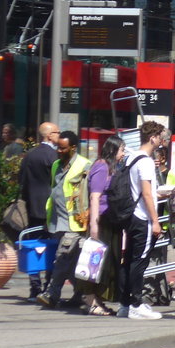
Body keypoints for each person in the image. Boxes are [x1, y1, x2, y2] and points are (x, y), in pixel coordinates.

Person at [116, 121, 166, 320]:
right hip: (142, 217)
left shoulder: (131, 158)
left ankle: (124, 305)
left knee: (128, 260)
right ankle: (136, 304)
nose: (161, 141)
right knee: (139, 261)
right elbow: (146, 193)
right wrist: (155, 221)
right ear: (152, 138)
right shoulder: (145, 161)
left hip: (130, 215)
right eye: (160, 137)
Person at [37, 131, 92, 310]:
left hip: (75, 222)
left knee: (62, 257)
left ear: (73, 148)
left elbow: (92, 194)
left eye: (62, 148)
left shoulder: (85, 165)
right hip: (57, 221)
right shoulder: (55, 166)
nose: (58, 151)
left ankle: (52, 294)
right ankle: (80, 295)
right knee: (72, 261)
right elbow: (55, 189)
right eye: (57, 147)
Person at [81, 135, 125, 316]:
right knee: (95, 263)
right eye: (122, 150)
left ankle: (97, 300)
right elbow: (95, 196)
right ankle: (90, 301)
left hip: (110, 220)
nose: (123, 154)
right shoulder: (101, 166)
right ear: (114, 150)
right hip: (101, 221)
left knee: (105, 264)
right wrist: (94, 225)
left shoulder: (111, 167)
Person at [19, 121, 59, 300]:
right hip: (51, 209)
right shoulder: (54, 156)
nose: (59, 135)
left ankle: (34, 287)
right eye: (57, 132)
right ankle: (48, 287)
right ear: (49, 135)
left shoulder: (29, 155)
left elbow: (22, 181)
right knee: (52, 248)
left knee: (33, 247)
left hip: (33, 207)